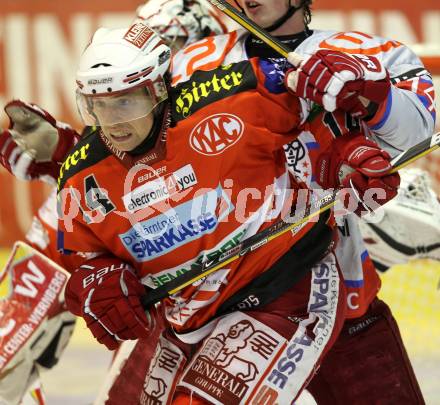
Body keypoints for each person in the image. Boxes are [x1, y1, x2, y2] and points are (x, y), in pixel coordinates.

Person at [56, 19, 400, 404]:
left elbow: (320, 104)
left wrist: (346, 158)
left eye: (125, 101)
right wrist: (98, 280)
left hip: (283, 289)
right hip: (189, 318)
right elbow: (86, 255)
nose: (113, 122)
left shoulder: (234, 95)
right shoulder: (80, 175)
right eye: (98, 106)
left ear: (159, 89)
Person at [0, 1, 228, 404]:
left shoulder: (221, 115)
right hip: (90, 242)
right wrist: (63, 158)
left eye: (175, 43)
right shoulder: (127, 100)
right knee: (6, 355)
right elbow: (114, 179)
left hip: (172, 281)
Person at [220, 0, 434, 402]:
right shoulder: (197, 63)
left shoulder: (370, 53)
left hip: (342, 304)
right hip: (227, 308)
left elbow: (418, 132)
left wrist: (370, 94)